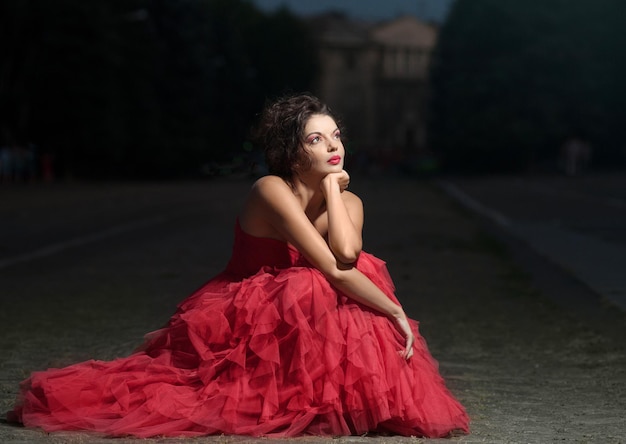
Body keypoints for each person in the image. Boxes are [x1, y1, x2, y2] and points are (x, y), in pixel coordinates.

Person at [7, 94, 469, 438]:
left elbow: (350, 255)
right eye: (316, 139)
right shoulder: (271, 189)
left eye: (336, 136)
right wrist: (393, 311)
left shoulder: (349, 199)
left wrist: (333, 191)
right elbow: (335, 266)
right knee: (314, 286)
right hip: (247, 315)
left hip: (305, 315)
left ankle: (336, 399)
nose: (333, 147)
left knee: (340, 290)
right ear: (292, 152)